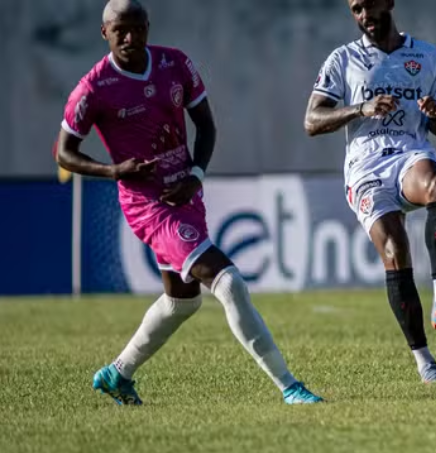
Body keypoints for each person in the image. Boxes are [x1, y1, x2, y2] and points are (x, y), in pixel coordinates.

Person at [56, 0, 322, 405]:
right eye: (120, 30)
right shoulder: (93, 87)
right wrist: (113, 170)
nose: (130, 38)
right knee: (228, 281)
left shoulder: (174, 64)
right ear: (104, 32)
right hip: (148, 205)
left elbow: (207, 126)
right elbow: (64, 152)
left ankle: (117, 373)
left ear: (148, 26)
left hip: (185, 194)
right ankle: (290, 386)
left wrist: (195, 175)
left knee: (182, 302)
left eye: (137, 28)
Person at [303, 0, 436, 384]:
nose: (364, 14)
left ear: (389, 2)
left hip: (408, 154)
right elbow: (312, 121)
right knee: (394, 250)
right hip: (365, 167)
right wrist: (360, 108)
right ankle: (423, 359)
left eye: (369, 4)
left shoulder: (428, 56)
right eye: (355, 9)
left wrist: (435, 115)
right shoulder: (342, 59)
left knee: (435, 180)